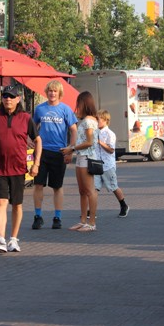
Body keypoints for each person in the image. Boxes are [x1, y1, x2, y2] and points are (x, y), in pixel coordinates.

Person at [0, 84, 42, 253]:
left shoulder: (25, 117)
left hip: (18, 167)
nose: (8, 99)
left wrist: (36, 163)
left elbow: (37, 140)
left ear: (18, 99)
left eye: (11, 96)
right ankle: (0, 238)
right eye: (5, 96)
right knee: (1, 202)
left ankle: (13, 239)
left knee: (17, 204)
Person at [32, 80, 77, 230]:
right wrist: (29, 141)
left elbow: (74, 130)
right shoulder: (40, 109)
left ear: (59, 93)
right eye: (50, 91)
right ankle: (38, 216)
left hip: (59, 152)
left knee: (57, 186)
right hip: (42, 152)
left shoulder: (65, 109)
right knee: (38, 184)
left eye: (55, 91)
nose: (52, 93)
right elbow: (31, 127)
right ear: (46, 92)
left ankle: (57, 217)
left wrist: (70, 148)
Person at [61, 91, 98, 232]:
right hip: (81, 157)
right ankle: (83, 220)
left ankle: (92, 222)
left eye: (79, 103)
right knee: (82, 191)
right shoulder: (86, 120)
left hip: (87, 157)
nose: (77, 107)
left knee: (89, 191)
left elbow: (89, 142)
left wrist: (72, 148)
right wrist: (72, 148)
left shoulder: (89, 121)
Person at [94, 110, 129, 217]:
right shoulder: (95, 132)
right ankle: (91, 210)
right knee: (94, 188)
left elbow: (111, 150)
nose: (96, 121)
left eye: (98, 119)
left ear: (105, 120)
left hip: (107, 165)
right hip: (95, 164)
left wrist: (100, 142)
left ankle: (124, 205)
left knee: (113, 187)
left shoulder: (110, 134)